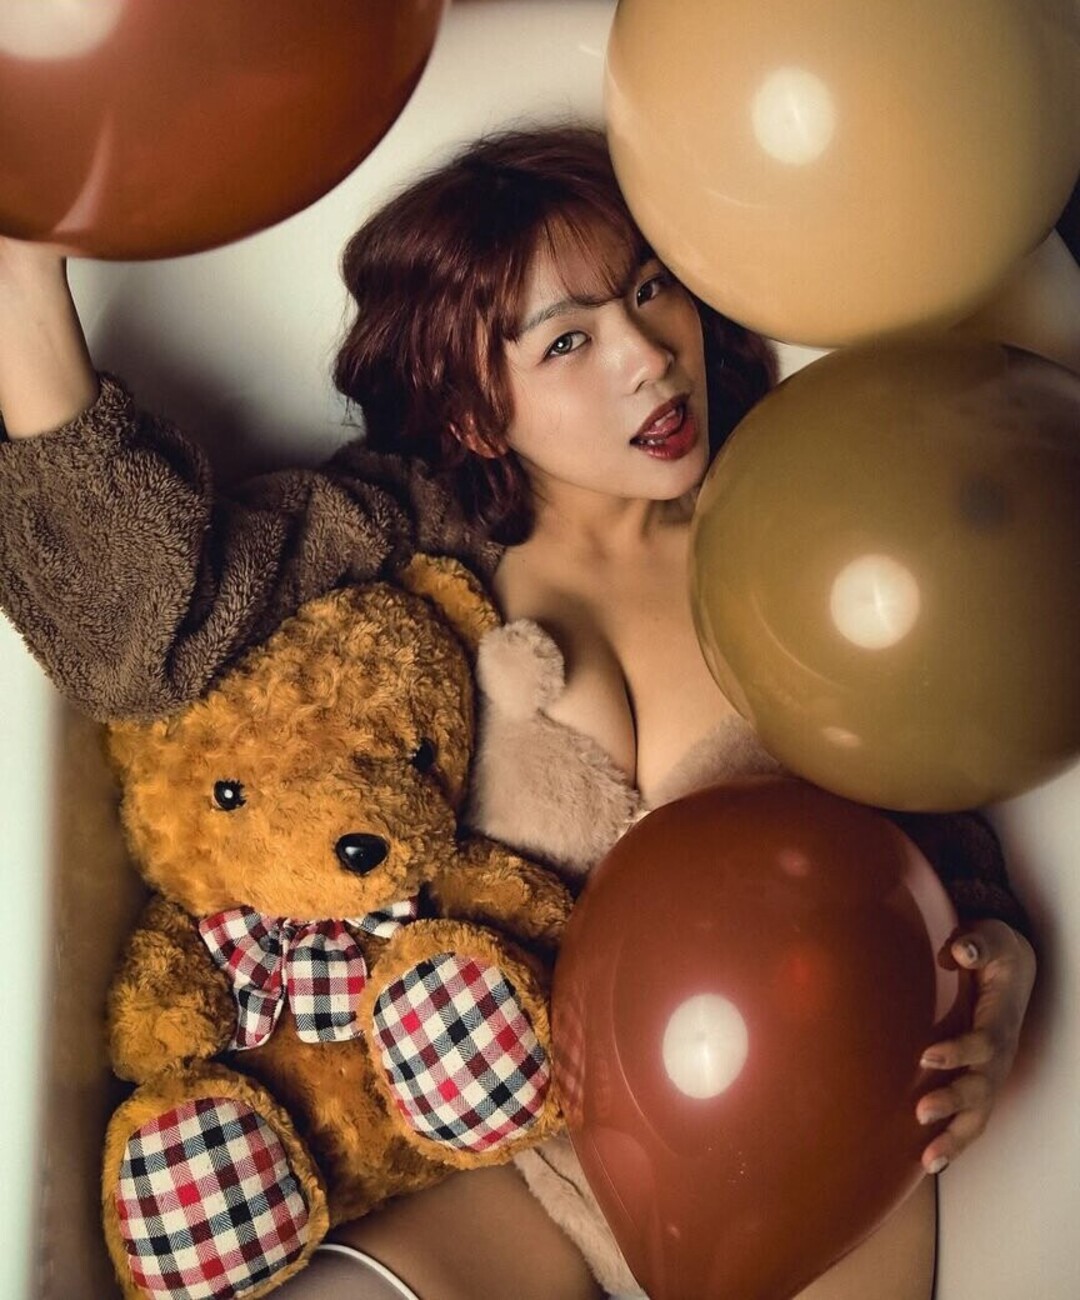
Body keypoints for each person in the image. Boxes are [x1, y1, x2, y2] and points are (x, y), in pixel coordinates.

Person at [0, 126, 1035, 1300]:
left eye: (651, 289)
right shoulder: (409, 537)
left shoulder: (791, 518)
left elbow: (924, 772)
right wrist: (25, 289)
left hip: (814, 1146)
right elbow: (142, 639)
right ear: (475, 411)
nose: (650, 357)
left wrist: (995, 957)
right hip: (532, 1155)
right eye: (569, 341)